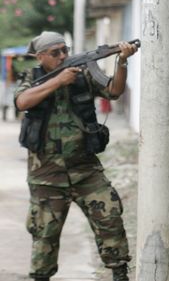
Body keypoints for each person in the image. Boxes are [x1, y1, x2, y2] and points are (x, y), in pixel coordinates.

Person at [14, 31, 138, 281]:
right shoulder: (33, 76)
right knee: (45, 233)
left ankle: (119, 272)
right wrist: (59, 81)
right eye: (55, 52)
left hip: (86, 169)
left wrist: (122, 61)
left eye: (65, 50)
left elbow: (114, 91)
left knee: (110, 217)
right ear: (40, 57)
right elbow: (22, 101)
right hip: (46, 175)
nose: (63, 56)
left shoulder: (84, 74)